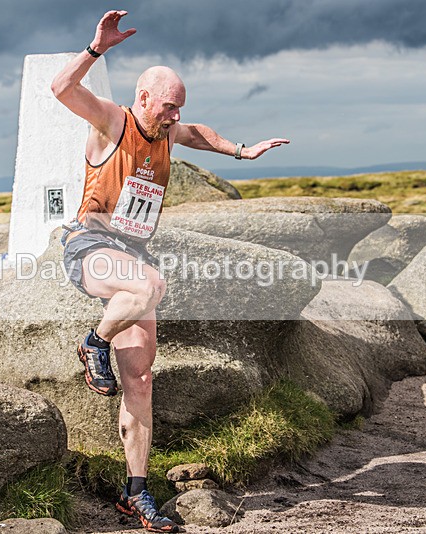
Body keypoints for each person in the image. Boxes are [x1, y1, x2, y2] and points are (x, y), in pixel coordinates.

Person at [52, 10, 289, 533]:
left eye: (179, 107)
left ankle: (135, 492)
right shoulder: (112, 121)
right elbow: (61, 88)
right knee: (151, 284)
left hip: (132, 254)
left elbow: (197, 133)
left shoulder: (168, 131)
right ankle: (93, 343)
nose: (174, 115)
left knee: (140, 379)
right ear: (144, 98)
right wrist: (96, 49)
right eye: (168, 106)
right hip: (91, 244)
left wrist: (240, 151)